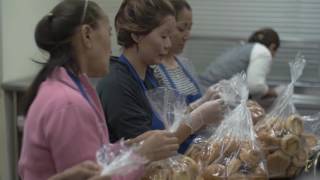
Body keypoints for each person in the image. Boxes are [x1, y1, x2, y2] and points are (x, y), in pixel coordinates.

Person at [19, 0, 179, 180]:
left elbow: (97, 153)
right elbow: (96, 175)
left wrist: (132, 146)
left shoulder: (67, 84)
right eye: (109, 33)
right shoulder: (69, 103)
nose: (111, 48)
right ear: (87, 35)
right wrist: (143, 156)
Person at [97, 0, 224, 154]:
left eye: (170, 37)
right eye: (163, 36)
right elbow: (147, 152)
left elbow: (169, 123)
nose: (168, 44)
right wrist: (198, 117)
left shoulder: (150, 74)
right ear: (137, 35)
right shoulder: (117, 85)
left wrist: (200, 104)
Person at [199, 28, 281, 99]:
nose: (273, 56)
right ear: (272, 46)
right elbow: (255, 86)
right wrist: (275, 92)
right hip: (212, 97)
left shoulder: (242, 47)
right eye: (275, 52)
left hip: (202, 91)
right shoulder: (263, 51)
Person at [153, 0, 203, 105]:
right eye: (181, 29)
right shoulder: (154, 68)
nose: (187, 36)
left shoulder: (186, 64)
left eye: (189, 28)